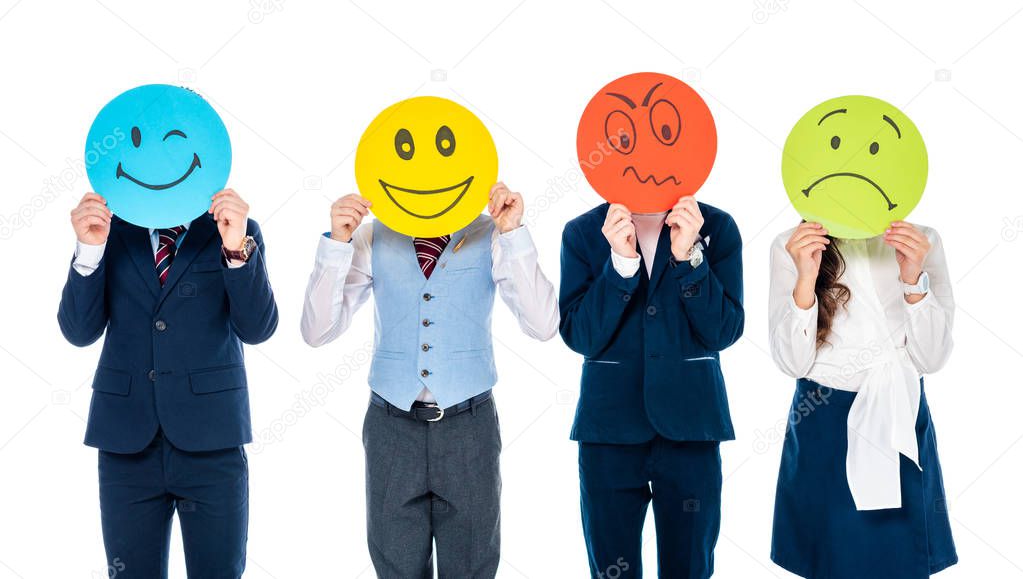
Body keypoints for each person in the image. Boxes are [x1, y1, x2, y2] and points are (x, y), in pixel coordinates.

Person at [300, 182, 559, 578]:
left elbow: (543, 325)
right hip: (391, 429)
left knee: (472, 569)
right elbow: (318, 331)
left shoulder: (491, 233)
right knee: (395, 568)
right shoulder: (372, 235)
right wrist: (337, 244)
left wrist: (513, 234)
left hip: (469, 428)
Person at [57, 190, 278, 578]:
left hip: (213, 440)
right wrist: (88, 250)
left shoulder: (237, 230)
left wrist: (235, 249)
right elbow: (78, 331)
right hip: (127, 441)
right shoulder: (110, 230)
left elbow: (257, 328)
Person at [559, 197, 744, 578]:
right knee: (611, 570)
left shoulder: (717, 227)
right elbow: (580, 335)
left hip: (692, 426)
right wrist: (621, 266)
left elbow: (723, 330)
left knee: (690, 567)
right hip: (609, 430)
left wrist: (688, 258)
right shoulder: (582, 232)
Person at [768, 220, 957, 578]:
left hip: (898, 412)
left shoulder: (922, 240)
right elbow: (792, 362)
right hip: (824, 422)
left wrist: (914, 277)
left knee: (899, 562)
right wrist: (805, 277)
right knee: (829, 560)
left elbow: (932, 358)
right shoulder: (791, 245)